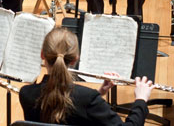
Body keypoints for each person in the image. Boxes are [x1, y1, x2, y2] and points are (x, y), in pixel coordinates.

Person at [19, 26, 153, 125]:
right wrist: (141, 100)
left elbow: (64, 103)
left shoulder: (26, 94)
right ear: (74, 60)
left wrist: (99, 94)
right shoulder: (87, 99)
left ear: (42, 55)